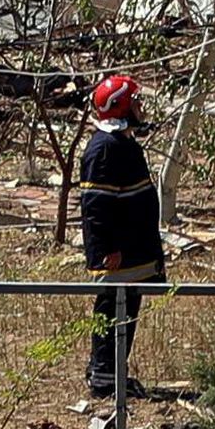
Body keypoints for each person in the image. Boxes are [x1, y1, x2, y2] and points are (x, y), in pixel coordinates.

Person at [74, 71, 166, 408]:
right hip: (118, 254)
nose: (141, 108)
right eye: (136, 102)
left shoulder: (123, 143)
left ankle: (115, 371)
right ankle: (103, 376)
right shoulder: (103, 149)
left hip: (135, 251)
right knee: (110, 309)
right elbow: (95, 206)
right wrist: (106, 249)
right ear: (121, 107)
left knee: (126, 312)